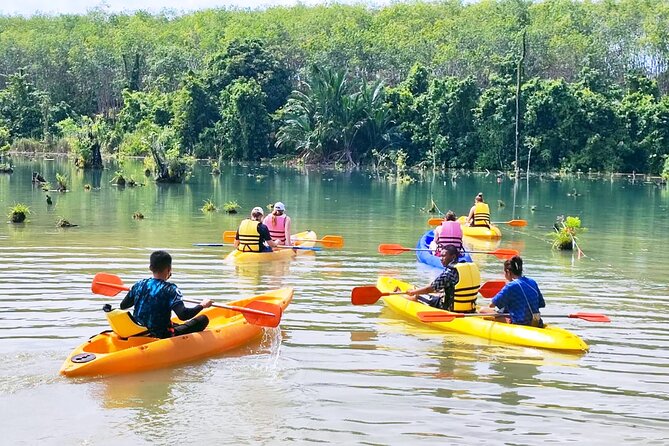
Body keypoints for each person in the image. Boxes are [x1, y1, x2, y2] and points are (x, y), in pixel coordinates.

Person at [120, 250, 213, 338]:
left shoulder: (139, 284)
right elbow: (183, 315)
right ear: (169, 268)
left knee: (174, 323)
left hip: (139, 331)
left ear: (150, 268)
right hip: (162, 335)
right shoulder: (171, 289)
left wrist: (133, 291)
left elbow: (123, 305)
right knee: (203, 319)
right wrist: (202, 305)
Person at [405, 245, 480, 312]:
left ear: (453, 257)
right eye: (440, 256)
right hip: (469, 307)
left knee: (417, 295)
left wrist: (414, 292)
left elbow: (430, 289)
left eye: (443, 256)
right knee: (439, 294)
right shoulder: (468, 268)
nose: (441, 259)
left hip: (449, 308)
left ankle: (404, 298)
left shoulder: (449, 272)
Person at [485, 256, 545, 327]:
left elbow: (491, 305)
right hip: (536, 322)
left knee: (483, 310)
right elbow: (542, 304)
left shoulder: (510, 286)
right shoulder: (532, 282)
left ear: (508, 272)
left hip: (520, 323)